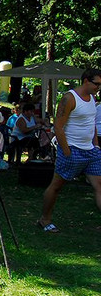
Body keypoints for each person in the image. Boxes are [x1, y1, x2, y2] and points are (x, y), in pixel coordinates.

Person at [39, 69, 101, 233]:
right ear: (86, 81)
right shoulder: (69, 98)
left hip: (91, 152)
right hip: (72, 150)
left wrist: (96, 145)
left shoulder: (92, 98)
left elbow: (91, 123)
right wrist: (66, 151)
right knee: (57, 186)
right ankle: (45, 219)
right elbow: (58, 127)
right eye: (97, 84)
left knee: (99, 186)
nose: (99, 87)